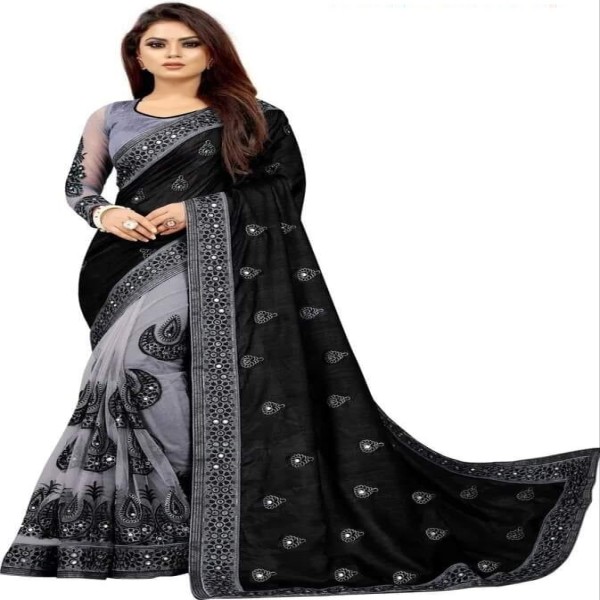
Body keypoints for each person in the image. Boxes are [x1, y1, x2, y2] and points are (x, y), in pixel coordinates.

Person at [1, 2, 599, 598]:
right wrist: (104, 213)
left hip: (214, 263)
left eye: (188, 42)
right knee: (126, 378)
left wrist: (197, 211)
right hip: (119, 266)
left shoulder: (253, 116)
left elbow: (281, 191)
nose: (173, 54)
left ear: (211, 51)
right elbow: (78, 185)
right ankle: (159, 524)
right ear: (137, 54)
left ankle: (194, 516)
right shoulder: (109, 117)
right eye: (157, 44)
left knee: (141, 370)